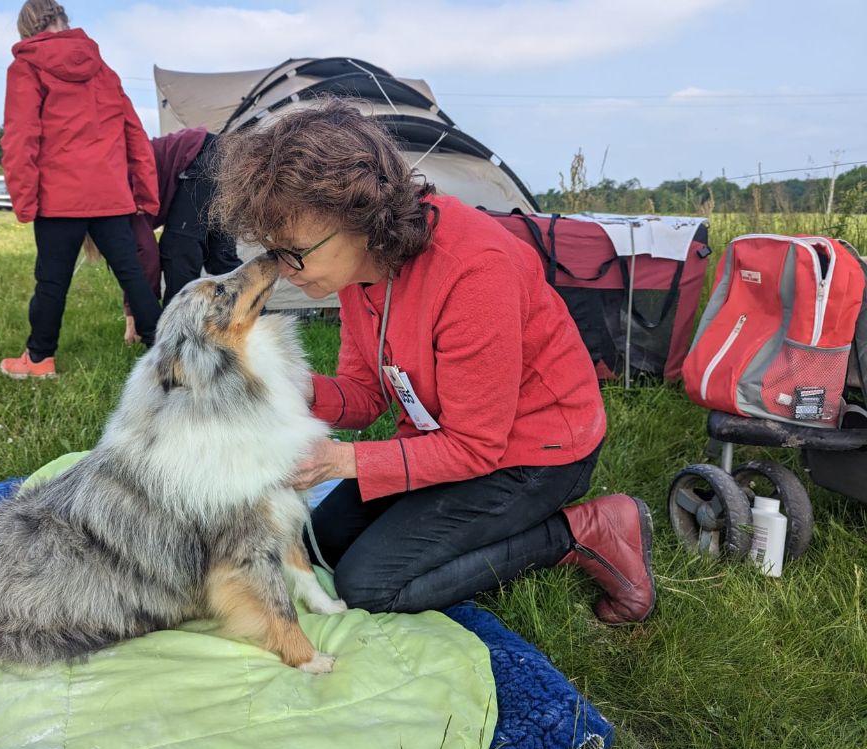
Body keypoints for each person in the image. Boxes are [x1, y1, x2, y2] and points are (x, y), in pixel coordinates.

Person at [211, 99, 656, 623]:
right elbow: (368, 394)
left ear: (359, 216)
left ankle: (583, 531)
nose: (285, 273)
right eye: (274, 252)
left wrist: (343, 462)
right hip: (442, 439)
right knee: (318, 541)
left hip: (534, 454)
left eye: (294, 253)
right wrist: (282, 384)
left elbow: (476, 446)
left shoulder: (475, 273)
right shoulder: (358, 270)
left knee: (371, 586)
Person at [0, 0, 162, 378]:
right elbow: (133, 133)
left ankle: (39, 360)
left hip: (59, 200)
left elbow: (21, 138)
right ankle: (168, 358)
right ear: (63, 20)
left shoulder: (25, 67)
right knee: (132, 274)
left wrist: (25, 201)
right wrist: (143, 193)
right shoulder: (102, 69)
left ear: (26, 28)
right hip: (110, 195)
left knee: (52, 280)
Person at [120, 127, 241, 344]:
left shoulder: (117, 192)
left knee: (178, 250)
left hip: (199, 157)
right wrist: (131, 313)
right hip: (219, 153)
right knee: (221, 258)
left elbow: (144, 254)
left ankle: (174, 340)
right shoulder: (115, 173)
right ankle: (258, 326)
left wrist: (137, 314)